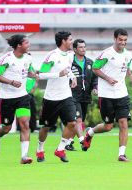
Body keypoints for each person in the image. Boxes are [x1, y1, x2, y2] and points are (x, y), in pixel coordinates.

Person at [81, 28, 132, 162]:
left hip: (122, 94)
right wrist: (108, 78)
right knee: (108, 126)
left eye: (125, 40)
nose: (122, 42)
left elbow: (126, 67)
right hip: (106, 95)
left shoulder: (128, 55)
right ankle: (90, 133)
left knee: (123, 123)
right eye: (120, 40)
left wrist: (131, 76)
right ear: (115, 39)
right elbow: (95, 68)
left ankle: (121, 154)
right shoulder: (106, 54)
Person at [35, 31, 80, 163]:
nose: (72, 42)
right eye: (70, 39)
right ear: (63, 41)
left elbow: (68, 69)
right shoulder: (52, 56)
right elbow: (41, 74)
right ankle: (40, 149)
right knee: (46, 127)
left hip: (66, 96)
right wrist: (58, 74)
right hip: (51, 98)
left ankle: (60, 149)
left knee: (72, 123)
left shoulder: (70, 55)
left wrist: (73, 77)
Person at [0, 34, 37, 164]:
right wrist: (11, 82)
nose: (29, 45)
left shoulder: (28, 59)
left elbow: (29, 71)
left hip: (22, 97)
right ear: (19, 45)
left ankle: (24, 156)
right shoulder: (6, 59)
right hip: (7, 98)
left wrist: (33, 76)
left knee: (25, 124)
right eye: (26, 43)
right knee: (6, 128)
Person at [65, 39, 98, 151]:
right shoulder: (69, 62)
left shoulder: (90, 62)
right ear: (74, 49)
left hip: (85, 96)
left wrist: (95, 87)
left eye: (84, 47)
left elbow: (94, 78)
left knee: (79, 122)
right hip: (72, 95)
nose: (83, 49)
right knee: (78, 120)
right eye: (80, 47)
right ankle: (83, 141)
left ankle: (68, 142)